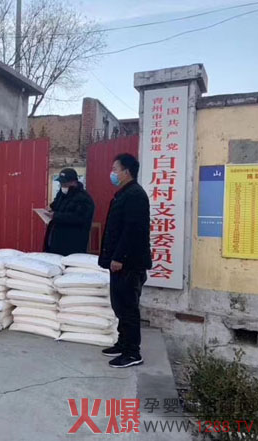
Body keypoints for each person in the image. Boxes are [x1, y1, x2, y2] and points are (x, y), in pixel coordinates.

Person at [98, 153, 152, 368]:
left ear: (126, 172)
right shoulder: (125, 193)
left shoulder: (135, 195)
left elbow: (132, 230)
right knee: (120, 306)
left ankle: (132, 353)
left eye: (115, 169)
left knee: (128, 308)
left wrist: (119, 257)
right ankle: (123, 343)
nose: (112, 173)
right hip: (120, 262)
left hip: (129, 263)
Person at [44, 168, 95, 256]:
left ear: (74, 182)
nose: (62, 185)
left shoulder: (84, 198)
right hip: (56, 242)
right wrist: (50, 209)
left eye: (64, 183)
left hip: (72, 245)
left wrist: (56, 216)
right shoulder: (62, 194)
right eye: (60, 182)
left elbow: (78, 218)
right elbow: (56, 205)